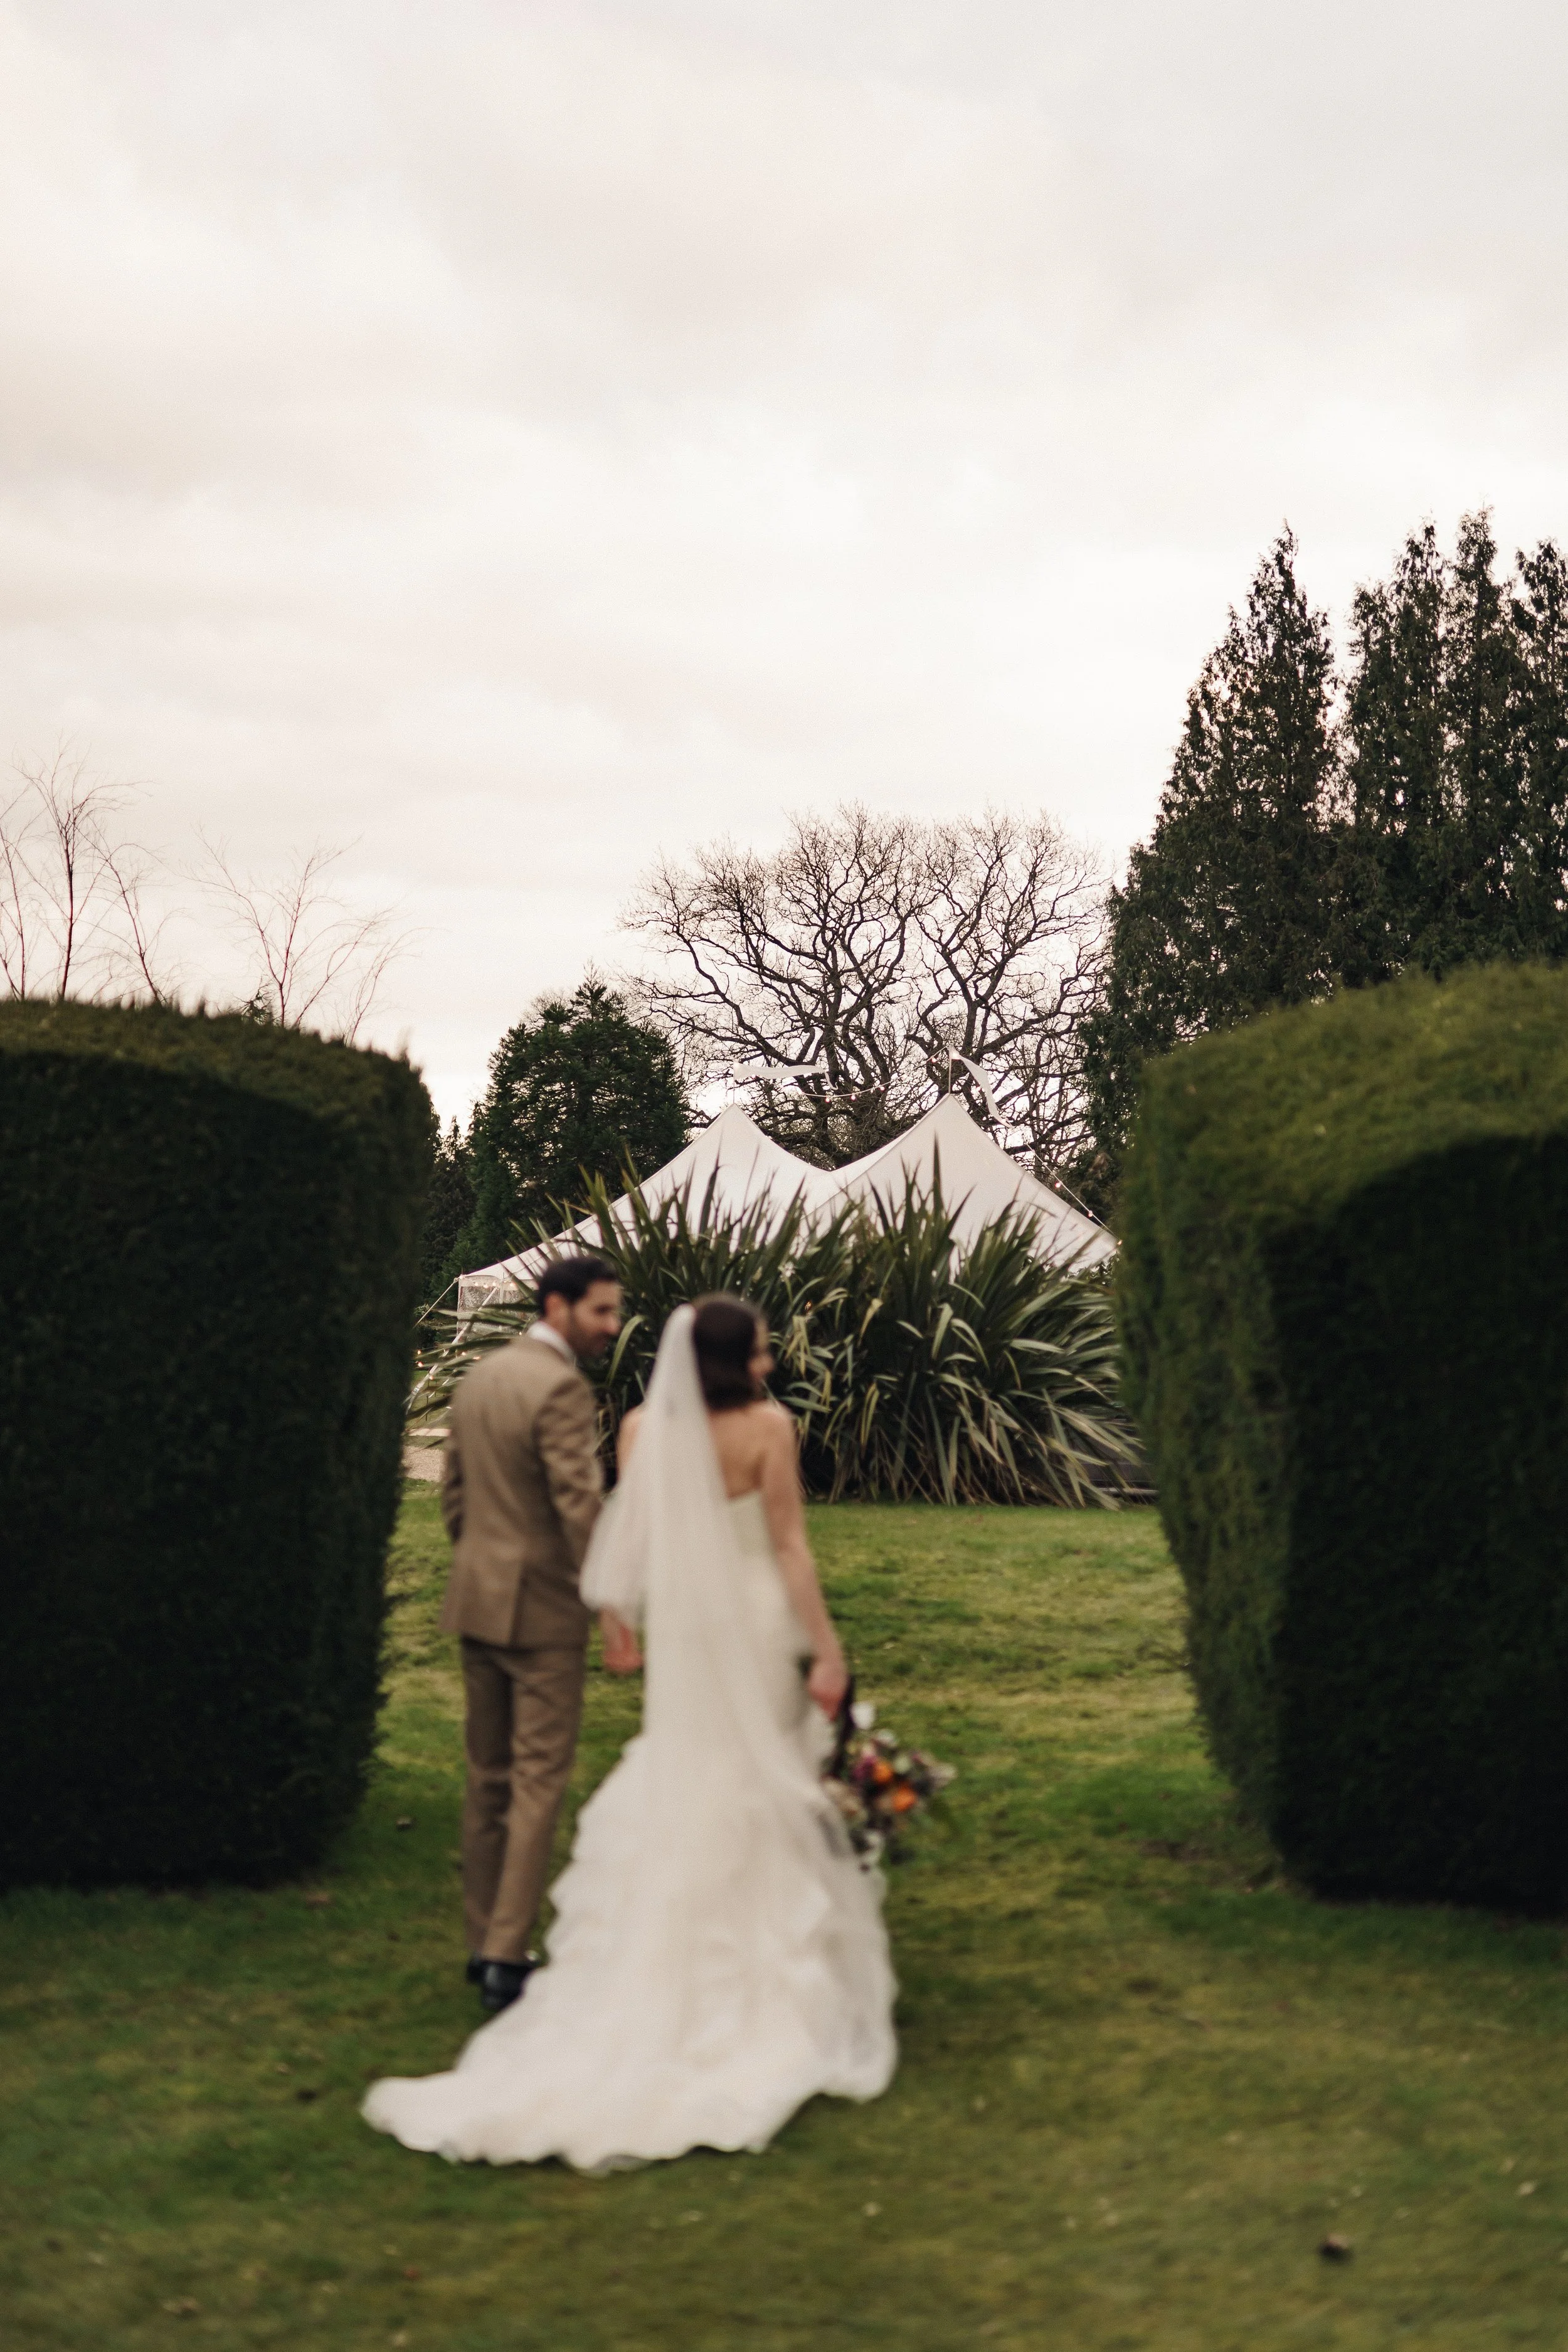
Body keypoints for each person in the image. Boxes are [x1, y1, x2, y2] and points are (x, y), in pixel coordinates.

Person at [363, 1293, 897, 2170]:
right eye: (762, 1347)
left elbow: (625, 1532)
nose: (769, 1360)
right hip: (758, 1616)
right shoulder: (770, 1427)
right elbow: (791, 1547)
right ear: (740, 1358)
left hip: (686, 1627)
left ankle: (669, 1953)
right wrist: (828, 1650)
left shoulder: (645, 1427)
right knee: (758, 1774)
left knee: (695, 1767)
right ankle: (767, 1974)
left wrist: (620, 1623)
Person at [437, 1253, 622, 2016]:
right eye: (602, 1312)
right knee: (539, 1781)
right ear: (557, 1306)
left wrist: (480, 1562)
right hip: (542, 1612)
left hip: (476, 1600)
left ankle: (483, 1941)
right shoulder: (561, 1389)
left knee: (487, 1778)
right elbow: (579, 1505)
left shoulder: (480, 1377)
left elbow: (454, 1494)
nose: (611, 1327)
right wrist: (612, 1605)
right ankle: (508, 1958)